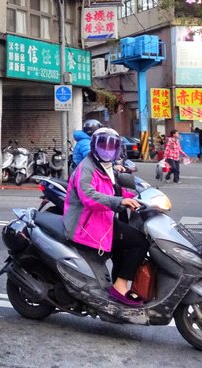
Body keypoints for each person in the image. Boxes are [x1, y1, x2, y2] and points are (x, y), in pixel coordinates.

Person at [63, 127, 147, 307]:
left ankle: (118, 288)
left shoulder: (105, 166)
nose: (107, 149)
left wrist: (138, 195)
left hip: (101, 218)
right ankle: (120, 286)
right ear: (94, 145)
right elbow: (89, 196)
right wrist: (120, 201)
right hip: (86, 224)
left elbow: (114, 189)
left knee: (124, 246)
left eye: (111, 146)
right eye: (102, 144)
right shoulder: (86, 168)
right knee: (139, 242)